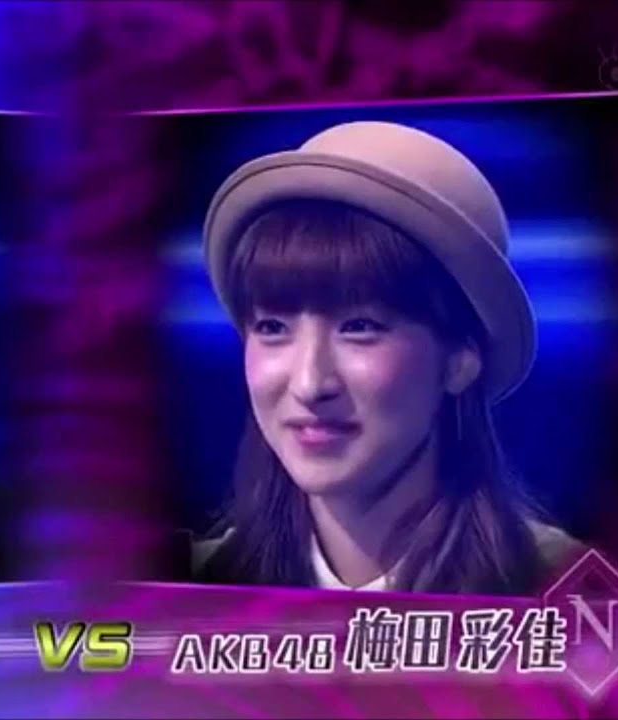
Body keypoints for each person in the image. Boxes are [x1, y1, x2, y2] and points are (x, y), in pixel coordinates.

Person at [192, 121, 584, 595]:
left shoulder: (565, 593)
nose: (310, 383)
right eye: (272, 328)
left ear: (460, 359)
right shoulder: (188, 584)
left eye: (360, 327)